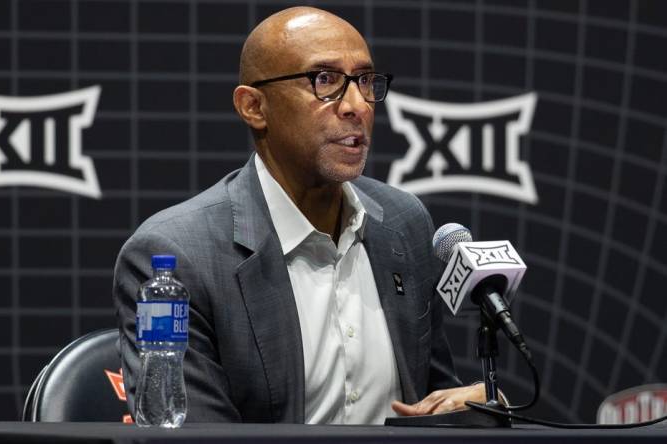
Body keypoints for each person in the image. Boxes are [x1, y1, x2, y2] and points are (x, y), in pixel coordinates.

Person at [113, 6, 485, 424]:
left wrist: (470, 408)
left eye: (364, 81)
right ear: (253, 106)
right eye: (324, 80)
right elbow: (199, 435)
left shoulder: (403, 223)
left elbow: (431, 394)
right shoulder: (179, 255)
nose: (356, 105)